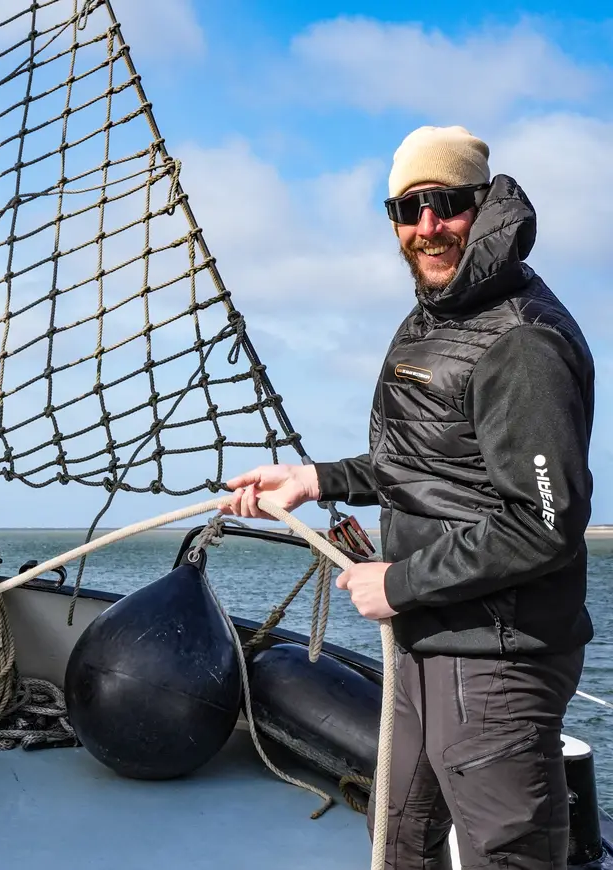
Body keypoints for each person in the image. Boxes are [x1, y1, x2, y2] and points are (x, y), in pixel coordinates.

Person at [221, 125, 595, 869]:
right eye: (406, 209)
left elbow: (547, 522)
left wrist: (398, 581)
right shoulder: (441, 312)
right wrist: (318, 478)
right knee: (397, 837)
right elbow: (427, 458)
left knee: (506, 855)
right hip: (427, 642)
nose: (426, 227)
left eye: (446, 203)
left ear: (482, 205)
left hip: (496, 657)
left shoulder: (520, 340)